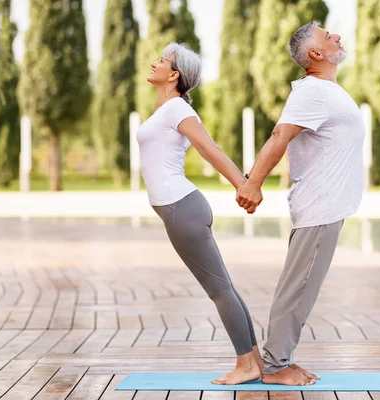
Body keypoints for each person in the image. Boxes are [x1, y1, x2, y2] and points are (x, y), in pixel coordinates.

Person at [236, 22, 365, 386]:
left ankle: (279, 359)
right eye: (328, 36)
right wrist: (252, 184)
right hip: (320, 206)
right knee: (300, 286)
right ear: (315, 54)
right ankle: (277, 365)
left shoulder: (326, 91)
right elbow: (280, 135)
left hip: (326, 207)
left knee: (300, 285)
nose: (337, 36)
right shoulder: (313, 92)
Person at [137, 42, 262, 385]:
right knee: (225, 289)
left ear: (173, 74)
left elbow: (211, 151)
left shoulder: (177, 110)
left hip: (183, 209)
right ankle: (255, 361)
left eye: (161, 60)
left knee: (219, 291)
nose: (154, 62)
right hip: (180, 209)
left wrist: (244, 185)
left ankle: (247, 365)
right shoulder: (166, 111)